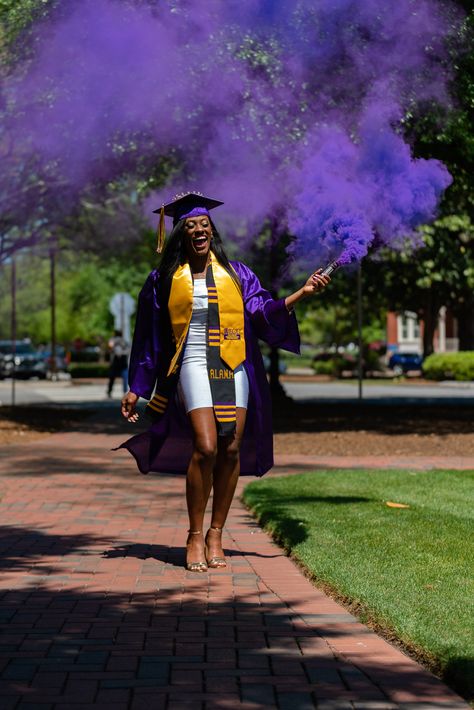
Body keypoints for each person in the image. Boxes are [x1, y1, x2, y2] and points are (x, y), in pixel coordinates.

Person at [119, 192, 330, 572]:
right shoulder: (164, 279)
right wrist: (137, 386)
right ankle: (195, 534)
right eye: (190, 226)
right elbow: (149, 337)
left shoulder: (237, 274)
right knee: (205, 445)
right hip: (193, 362)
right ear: (182, 233)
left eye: (204, 225)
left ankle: (217, 532)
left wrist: (301, 293)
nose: (198, 231)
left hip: (234, 364)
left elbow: (262, 313)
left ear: (211, 231)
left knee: (231, 448)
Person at [106, 330, 129, 397]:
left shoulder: (113, 340)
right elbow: (127, 350)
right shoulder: (124, 341)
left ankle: (109, 391)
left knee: (112, 378)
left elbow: (110, 346)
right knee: (125, 378)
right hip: (123, 362)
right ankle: (125, 392)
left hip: (115, 362)